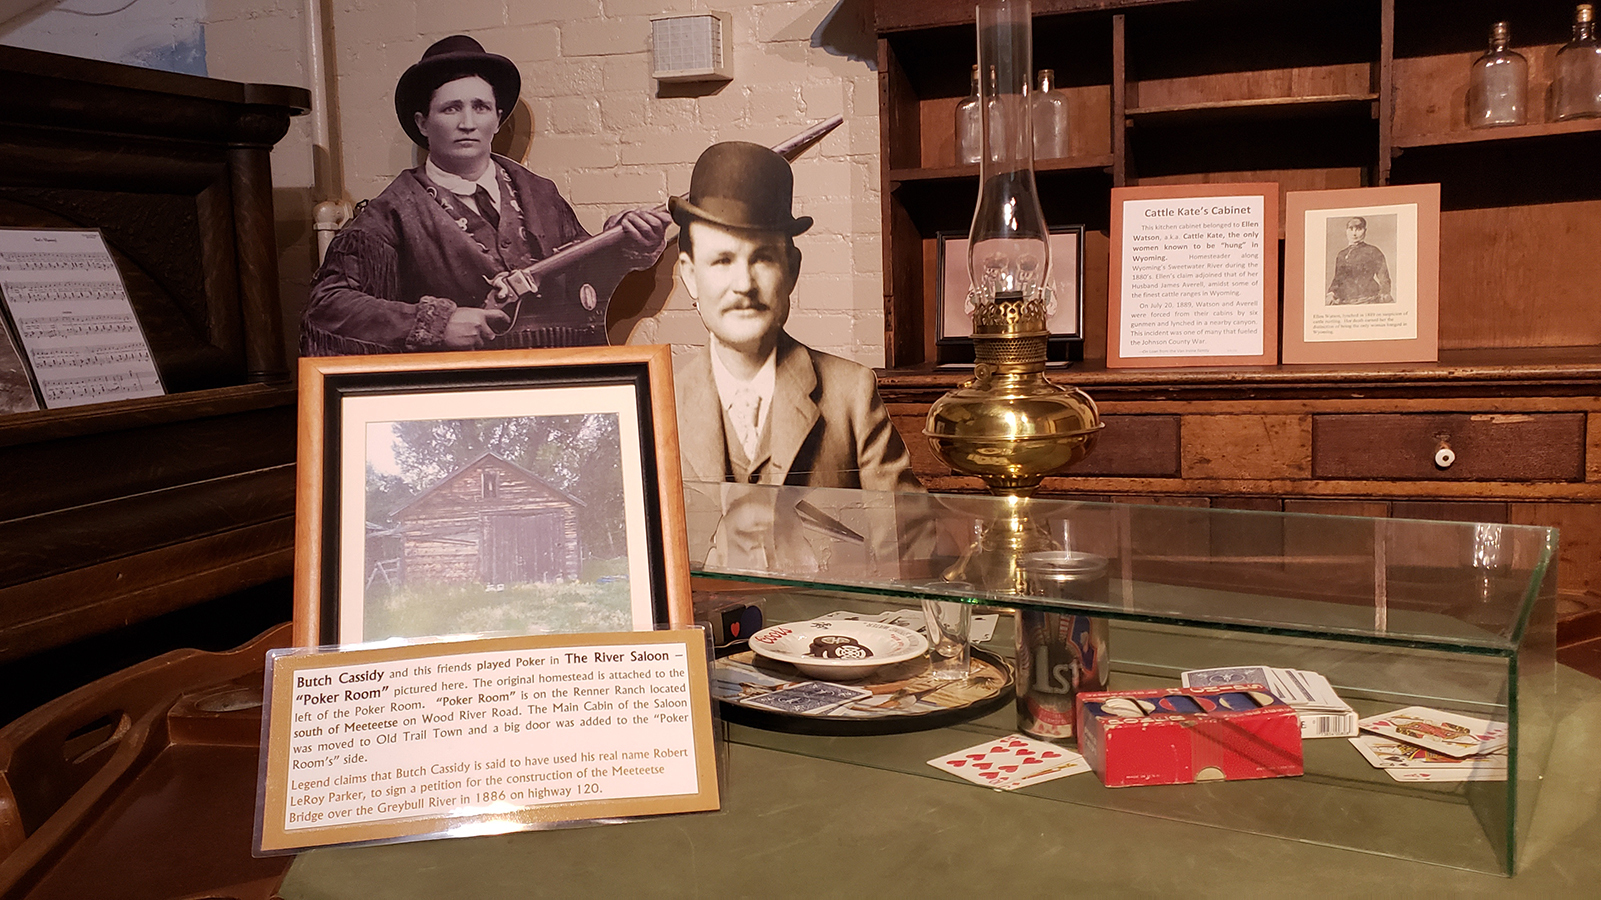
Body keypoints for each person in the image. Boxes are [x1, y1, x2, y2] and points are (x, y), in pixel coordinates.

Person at [301, 35, 671, 355]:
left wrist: (627, 244)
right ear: (423, 123)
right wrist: (436, 323)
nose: (467, 123)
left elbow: (583, 283)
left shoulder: (541, 194)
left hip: (556, 380)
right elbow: (327, 305)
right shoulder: (392, 213)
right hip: (457, 392)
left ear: (497, 118)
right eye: (451, 108)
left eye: (480, 107)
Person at [670, 141, 921, 492]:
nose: (744, 284)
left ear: (792, 270)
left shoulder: (852, 395)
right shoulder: (660, 407)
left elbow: (908, 526)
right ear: (690, 275)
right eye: (722, 260)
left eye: (763, 258)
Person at [1325, 216, 1393, 305]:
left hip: (1369, 298)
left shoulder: (1373, 251)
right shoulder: (1341, 254)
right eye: (1351, 229)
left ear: (1365, 230)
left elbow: (1384, 276)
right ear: (1346, 231)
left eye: (1358, 229)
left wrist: (1385, 292)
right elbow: (1337, 279)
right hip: (1345, 300)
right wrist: (1331, 293)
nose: (1354, 233)